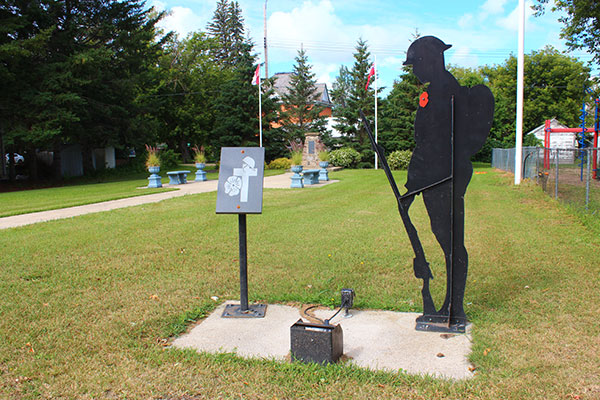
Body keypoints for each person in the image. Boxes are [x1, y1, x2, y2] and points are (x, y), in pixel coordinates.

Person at [401, 36, 494, 328]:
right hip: (435, 176)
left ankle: (455, 308)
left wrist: (413, 185)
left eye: (416, 64)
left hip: (445, 177)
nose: (414, 71)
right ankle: (449, 306)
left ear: (430, 60)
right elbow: (423, 143)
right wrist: (412, 187)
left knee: (451, 242)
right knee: (446, 240)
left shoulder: (446, 94)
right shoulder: (436, 92)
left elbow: (434, 145)